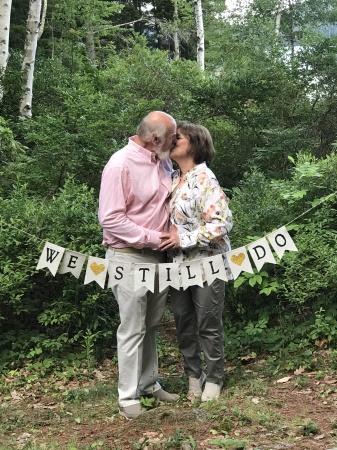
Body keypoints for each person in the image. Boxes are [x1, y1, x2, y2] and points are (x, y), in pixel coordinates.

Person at [98, 111, 180, 420]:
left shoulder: (162, 161)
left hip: (158, 258)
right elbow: (110, 218)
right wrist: (154, 238)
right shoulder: (120, 164)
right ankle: (127, 396)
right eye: (172, 137)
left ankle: (148, 384)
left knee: (151, 324)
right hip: (129, 256)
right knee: (131, 327)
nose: (175, 143)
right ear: (156, 138)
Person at [159, 122, 233, 402]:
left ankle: (214, 378)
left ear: (195, 144)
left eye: (178, 138)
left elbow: (222, 223)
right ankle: (194, 376)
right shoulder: (173, 178)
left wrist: (184, 239)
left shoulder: (205, 178)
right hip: (177, 267)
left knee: (208, 323)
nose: (172, 141)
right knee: (183, 323)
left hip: (207, 264)